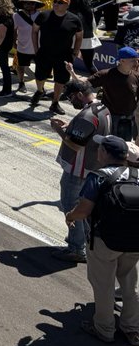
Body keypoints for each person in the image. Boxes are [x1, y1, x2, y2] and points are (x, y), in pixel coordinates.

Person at [64, 134, 139, 346]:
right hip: (134, 241)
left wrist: (70, 216)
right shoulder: (137, 174)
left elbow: (84, 209)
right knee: (129, 284)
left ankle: (104, 328)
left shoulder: (99, 176)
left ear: (105, 153)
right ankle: (132, 328)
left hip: (104, 241)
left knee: (104, 285)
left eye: (100, 148)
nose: (97, 151)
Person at [50, 79, 111, 263]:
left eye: (70, 99)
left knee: (71, 206)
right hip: (93, 167)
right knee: (84, 206)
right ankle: (82, 240)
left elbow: (75, 145)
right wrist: (71, 126)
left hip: (79, 169)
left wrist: (58, 130)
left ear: (78, 95)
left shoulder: (87, 116)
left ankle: (76, 249)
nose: (71, 102)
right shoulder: (102, 108)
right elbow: (91, 132)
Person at [32, 0, 83, 115]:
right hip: (44, 52)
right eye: (54, 1)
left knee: (60, 80)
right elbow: (34, 31)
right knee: (39, 76)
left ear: (67, 5)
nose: (55, 4)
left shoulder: (74, 19)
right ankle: (40, 91)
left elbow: (79, 36)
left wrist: (75, 51)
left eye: (59, 2)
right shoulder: (43, 15)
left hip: (64, 55)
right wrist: (36, 48)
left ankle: (55, 103)